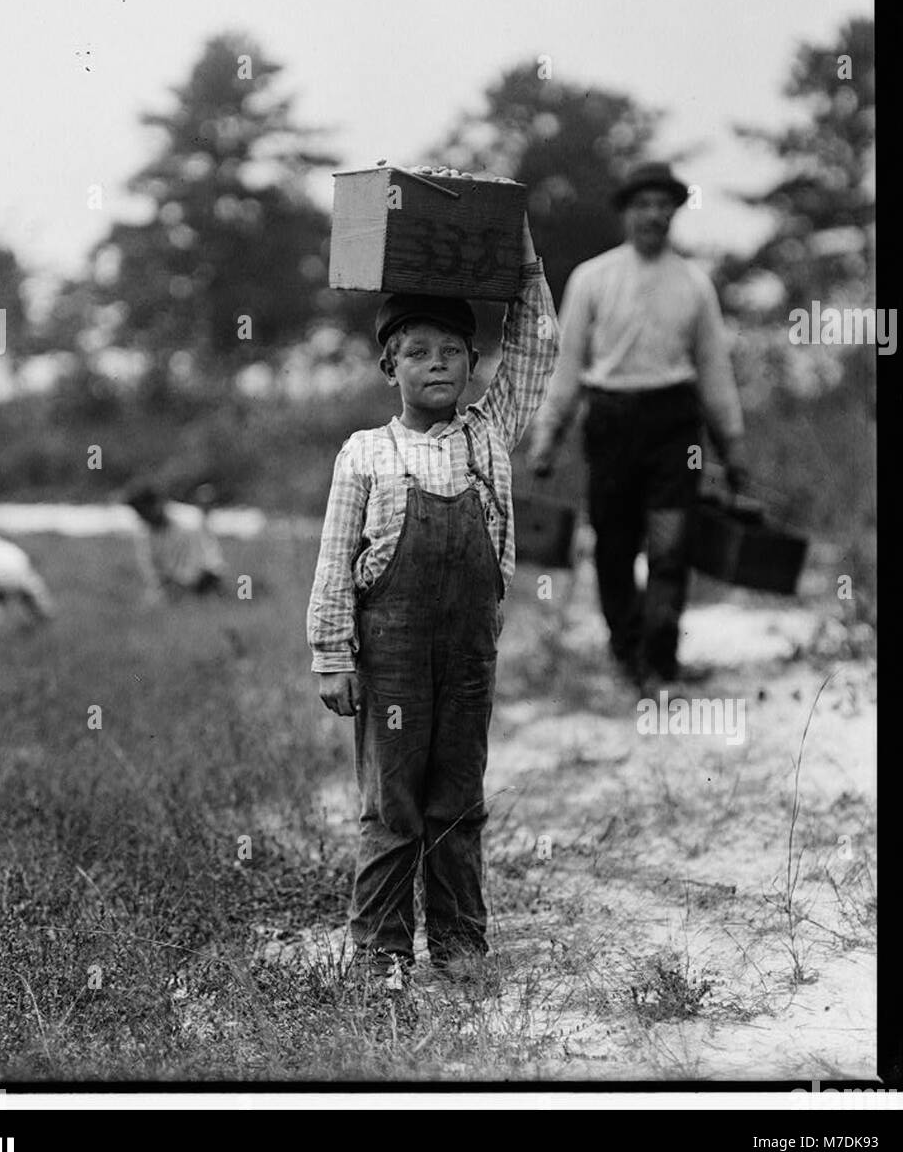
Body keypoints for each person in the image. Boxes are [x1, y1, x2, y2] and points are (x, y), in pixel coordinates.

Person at [307, 177, 558, 992]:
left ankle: (460, 947)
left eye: (453, 349)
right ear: (391, 365)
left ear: (473, 361)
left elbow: (539, 344)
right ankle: (380, 953)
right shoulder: (365, 454)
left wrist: (520, 257)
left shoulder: (488, 434)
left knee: (459, 799)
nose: (439, 363)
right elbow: (335, 561)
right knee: (393, 805)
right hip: (392, 654)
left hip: (468, 654)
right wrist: (329, 654)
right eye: (418, 351)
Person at [527, 161, 747, 690]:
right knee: (614, 545)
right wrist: (547, 439)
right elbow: (568, 365)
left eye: (662, 205)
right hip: (611, 424)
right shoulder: (592, 278)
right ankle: (628, 655)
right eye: (642, 205)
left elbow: (715, 372)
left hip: (674, 426)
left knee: (671, 547)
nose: (653, 215)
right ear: (627, 212)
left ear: (674, 211)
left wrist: (733, 449)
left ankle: (662, 659)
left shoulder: (694, 283)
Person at [126, 485, 228, 602]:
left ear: (157, 504)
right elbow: (150, 569)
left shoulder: (189, 521)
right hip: (173, 584)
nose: (143, 517)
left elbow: (203, 561)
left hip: (205, 578)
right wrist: (163, 584)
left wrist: (182, 583)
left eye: (145, 511)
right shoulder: (144, 533)